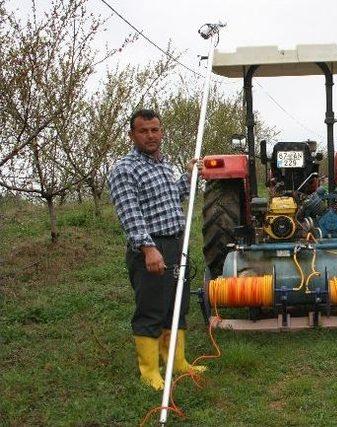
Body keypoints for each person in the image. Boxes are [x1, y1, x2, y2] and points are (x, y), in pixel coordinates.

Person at [108, 109, 205, 391]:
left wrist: (189, 175)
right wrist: (148, 248)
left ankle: (177, 362)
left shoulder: (164, 165)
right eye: (143, 131)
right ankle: (149, 371)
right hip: (151, 248)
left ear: (161, 132)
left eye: (155, 130)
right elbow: (130, 213)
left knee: (177, 305)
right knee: (151, 309)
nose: (151, 135)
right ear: (132, 135)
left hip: (176, 245)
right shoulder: (125, 169)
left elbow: (175, 196)